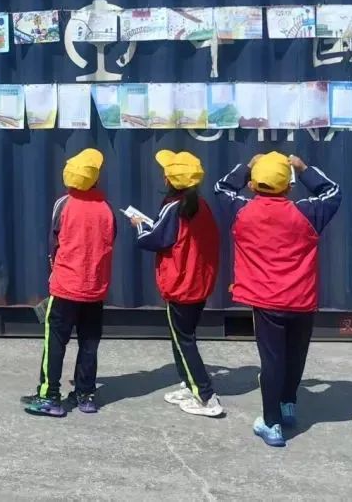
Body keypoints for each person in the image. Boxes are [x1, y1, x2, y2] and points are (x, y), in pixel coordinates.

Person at [215, 152, 341, 447]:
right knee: (295, 355)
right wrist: (304, 168)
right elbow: (333, 191)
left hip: (267, 302)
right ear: (289, 186)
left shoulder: (242, 211)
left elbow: (221, 187)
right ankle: (288, 404)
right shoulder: (306, 213)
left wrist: (248, 165)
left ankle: (271, 424)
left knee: (272, 362)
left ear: (253, 185)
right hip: (301, 299)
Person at [23, 148, 116, 418]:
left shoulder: (63, 204)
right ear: (95, 178)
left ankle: (49, 395)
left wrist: (56, 270)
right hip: (95, 289)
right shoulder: (106, 209)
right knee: (89, 342)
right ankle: (86, 395)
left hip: (65, 286)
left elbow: (55, 241)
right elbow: (111, 241)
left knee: (55, 341)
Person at [132, 150, 222, 418]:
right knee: (183, 336)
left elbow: (153, 240)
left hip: (180, 284)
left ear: (169, 180)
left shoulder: (174, 208)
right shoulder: (200, 205)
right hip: (198, 282)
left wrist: (139, 225)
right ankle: (189, 384)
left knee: (184, 341)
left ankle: (206, 396)